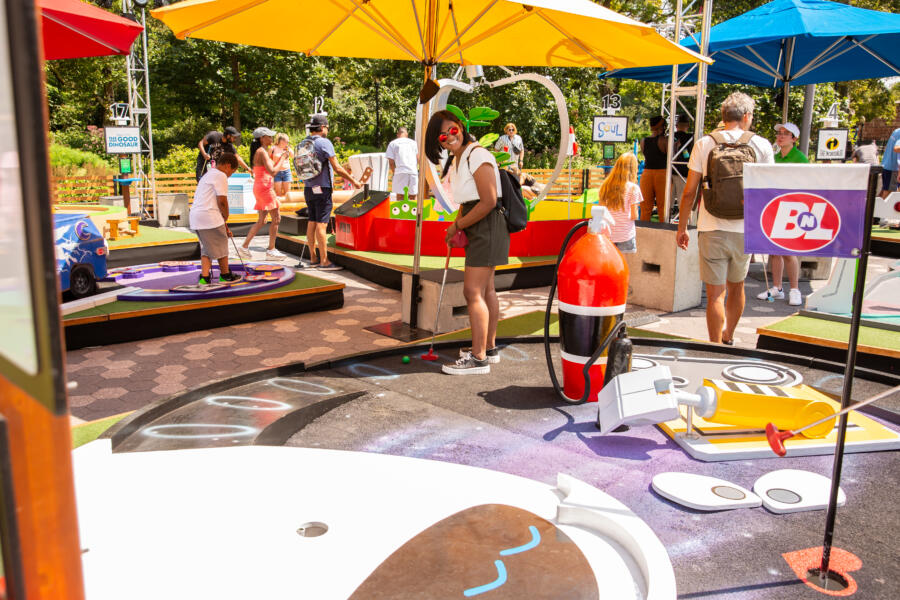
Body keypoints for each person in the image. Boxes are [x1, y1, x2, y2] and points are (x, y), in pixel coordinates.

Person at [675, 92, 774, 345]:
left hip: (711, 226)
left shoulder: (705, 143)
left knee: (715, 294)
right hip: (746, 229)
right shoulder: (761, 145)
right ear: (746, 116)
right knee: (737, 286)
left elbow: (689, 192)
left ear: (723, 116)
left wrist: (682, 227)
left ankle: (715, 345)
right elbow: (769, 192)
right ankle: (729, 334)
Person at [426, 109, 509, 375]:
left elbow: (488, 200)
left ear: (461, 127)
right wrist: (456, 227)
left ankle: (478, 358)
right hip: (479, 224)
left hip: (486, 225)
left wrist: (458, 225)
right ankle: (489, 348)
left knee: (472, 292)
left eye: (452, 129)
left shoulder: (477, 154)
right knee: (486, 290)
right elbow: (468, 201)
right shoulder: (459, 157)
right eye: (442, 135)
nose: (449, 136)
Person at [759, 122, 808, 306]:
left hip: (793, 207)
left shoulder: (800, 159)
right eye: (779, 133)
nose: (780, 136)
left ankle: (795, 290)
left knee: (788, 250)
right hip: (774, 206)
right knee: (774, 251)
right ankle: (777, 288)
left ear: (794, 139)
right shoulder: (775, 157)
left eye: (786, 134)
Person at [302, 114, 360, 270]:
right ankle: (324, 261)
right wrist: (354, 181)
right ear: (322, 127)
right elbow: (337, 167)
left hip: (308, 188)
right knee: (321, 224)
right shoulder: (324, 142)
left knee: (312, 222)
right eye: (327, 127)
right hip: (323, 188)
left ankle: (313, 258)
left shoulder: (304, 142)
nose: (327, 130)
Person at [189, 152, 241, 284]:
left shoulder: (208, 175)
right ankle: (225, 274)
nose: (230, 175)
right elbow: (222, 200)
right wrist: (226, 215)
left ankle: (205, 277)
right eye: (232, 172)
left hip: (196, 217)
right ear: (228, 166)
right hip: (209, 216)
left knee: (207, 247)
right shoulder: (220, 175)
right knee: (221, 244)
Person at [237, 127, 288, 261]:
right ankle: (271, 250)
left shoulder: (259, 151)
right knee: (276, 218)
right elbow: (273, 172)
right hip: (265, 188)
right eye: (269, 136)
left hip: (259, 187)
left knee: (262, 220)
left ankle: (244, 247)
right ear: (262, 138)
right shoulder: (262, 152)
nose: (272, 139)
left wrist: (280, 160)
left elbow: (270, 169)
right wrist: (283, 158)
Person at [597, 152, 641, 255]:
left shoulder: (605, 186)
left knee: (608, 265)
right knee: (622, 267)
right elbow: (634, 215)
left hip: (607, 234)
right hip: (625, 235)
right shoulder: (633, 188)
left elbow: (600, 211)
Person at [639, 115, 668, 221]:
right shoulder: (664, 140)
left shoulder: (643, 141)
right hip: (662, 173)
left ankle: (644, 230)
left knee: (645, 207)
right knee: (662, 206)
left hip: (646, 173)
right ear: (662, 126)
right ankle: (663, 229)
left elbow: (645, 155)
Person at [385, 126, 419, 201]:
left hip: (400, 171)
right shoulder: (413, 143)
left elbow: (391, 162)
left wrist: (394, 172)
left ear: (398, 134)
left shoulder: (392, 143)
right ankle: (414, 212)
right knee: (413, 196)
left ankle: (401, 212)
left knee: (400, 196)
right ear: (406, 134)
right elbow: (418, 158)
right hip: (413, 171)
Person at [672, 114, 694, 214]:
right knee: (683, 201)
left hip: (670, 172)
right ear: (688, 125)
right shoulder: (692, 137)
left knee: (668, 201)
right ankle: (685, 222)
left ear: (676, 125)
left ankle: (666, 221)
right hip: (684, 172)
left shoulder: (671, 137)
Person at [270, 133, 294, 199]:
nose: (287, 142)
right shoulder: (273, 148)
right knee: (278, 194)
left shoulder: (287, 148)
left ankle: (288, 208)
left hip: (286, 171)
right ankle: (279, 208)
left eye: (287, 141)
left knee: (288, 194)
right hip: (277, 172)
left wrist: (289, 150)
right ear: (280, 140)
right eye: (285, 140)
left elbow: (293, 156)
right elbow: (268, 158)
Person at [880, 126, 900, 199]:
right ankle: (883, 210)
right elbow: (896, 148)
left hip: (887, 165)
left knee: (884, 192)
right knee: (889, 195)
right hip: (893, 168)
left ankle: (876, 209)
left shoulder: (897, 131)